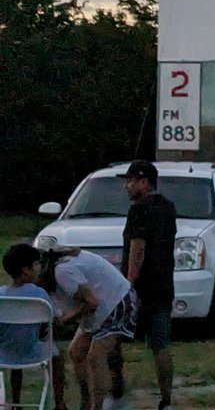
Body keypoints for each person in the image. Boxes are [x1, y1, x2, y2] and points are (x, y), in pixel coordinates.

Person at [40, 247, 137, 410]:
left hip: (118, 302)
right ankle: (90, 402)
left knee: (95, 357)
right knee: (77, 353)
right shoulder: (51, 277)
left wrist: (65, 320)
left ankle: (97, 406)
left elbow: (92, 302)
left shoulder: (62, 272)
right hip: (99, 310)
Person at [117, 160, 176, 410]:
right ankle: (166, 399)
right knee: (160, 345)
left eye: (131, 181)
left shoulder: (139, 210)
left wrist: (129, 285)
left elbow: (137, 248)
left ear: (144, 182)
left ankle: (116, 392)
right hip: (163, 285)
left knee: (113, 339)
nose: (126, 186)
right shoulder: (168, 208)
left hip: (140, 287)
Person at [1, 242, 67, 410]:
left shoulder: (1, 294)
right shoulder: (39, 295)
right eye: (37, 264)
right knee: (58, 357)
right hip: (32, 352)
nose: (39, 268)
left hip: (4, 354)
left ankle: (15, 402)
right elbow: (55, 318)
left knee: (15, 346)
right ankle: (59, 404)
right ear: (26, 269)